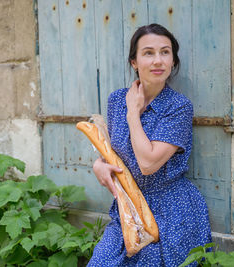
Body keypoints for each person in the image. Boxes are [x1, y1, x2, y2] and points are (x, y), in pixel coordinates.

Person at [87, 23, 212, 266]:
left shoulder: (178, 107)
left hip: (170, 210)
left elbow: (147, 163)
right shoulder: (116, 100)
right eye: (148, 53)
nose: (158, 60)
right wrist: (99, 165)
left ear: (173, 61)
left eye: (165, 52)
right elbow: (114, 152)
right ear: (134, 62)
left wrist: (133, 113)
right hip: (128, 207)